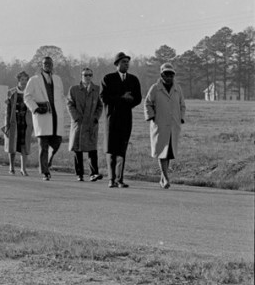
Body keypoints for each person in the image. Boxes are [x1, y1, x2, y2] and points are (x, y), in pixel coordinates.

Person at [100, 52, 142, 189]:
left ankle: (120, 179)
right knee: (111, 150)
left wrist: (129, 101)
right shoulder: (108, 78)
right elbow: (104, 97)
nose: (126, 64)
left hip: (126, 118)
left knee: (122, 150)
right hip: (111, 118)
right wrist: (121, 98)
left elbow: (138, 98)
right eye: (123, 62)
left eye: (127, 62)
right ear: (117, 64)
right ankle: (111, 179)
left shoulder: (133, 80)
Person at [144, 63, 186, 189]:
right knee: (162, 151)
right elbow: (147, 103)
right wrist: (151, 117)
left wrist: (181, 118)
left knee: (169, 153)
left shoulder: (177, 88)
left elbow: (182, 105)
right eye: (166, 74)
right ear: (161, 75)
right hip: (160, 124)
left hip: (173, 125)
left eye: (171, 74)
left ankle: (163, 177)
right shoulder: (155, 88)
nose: (169, 77)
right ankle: (166, 177)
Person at [24, 56, 65, 180]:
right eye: (45, 63)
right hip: (42, 115)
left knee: (57, 142)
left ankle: (46, 162)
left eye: (50, 63)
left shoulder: (57, 79)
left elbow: (61, 96)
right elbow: (27, 97)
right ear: (41, 65)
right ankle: (45, 171)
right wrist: (35, 108)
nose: (48, 65)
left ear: (53, 65)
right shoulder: (34, 80)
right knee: (43, 145)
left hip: (56, 116)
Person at [66, 68, 104, 182]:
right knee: (78, 150)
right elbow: (69, 104)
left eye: (90, 75)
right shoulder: (74, 89)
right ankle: (79, 174)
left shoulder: (96, 89)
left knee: (92, 149)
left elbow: (100, 105)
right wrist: (76, 117)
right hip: (79, 124)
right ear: (81, 76)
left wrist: (96, 118)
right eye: (85, 75)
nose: (87, 77)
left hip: (91, 124)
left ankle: (94, 173)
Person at [3, 71, 33, 176]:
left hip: (25, 122)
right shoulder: (11, 93)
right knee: (12, 145)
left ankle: (23, 168)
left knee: (24, 145)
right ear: (18, 80)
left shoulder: (30, 93)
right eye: (22, 80)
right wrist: (7, 124)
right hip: (13, 121)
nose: (24, 82)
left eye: (26, 80)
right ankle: (11, 167)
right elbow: (7, 110)